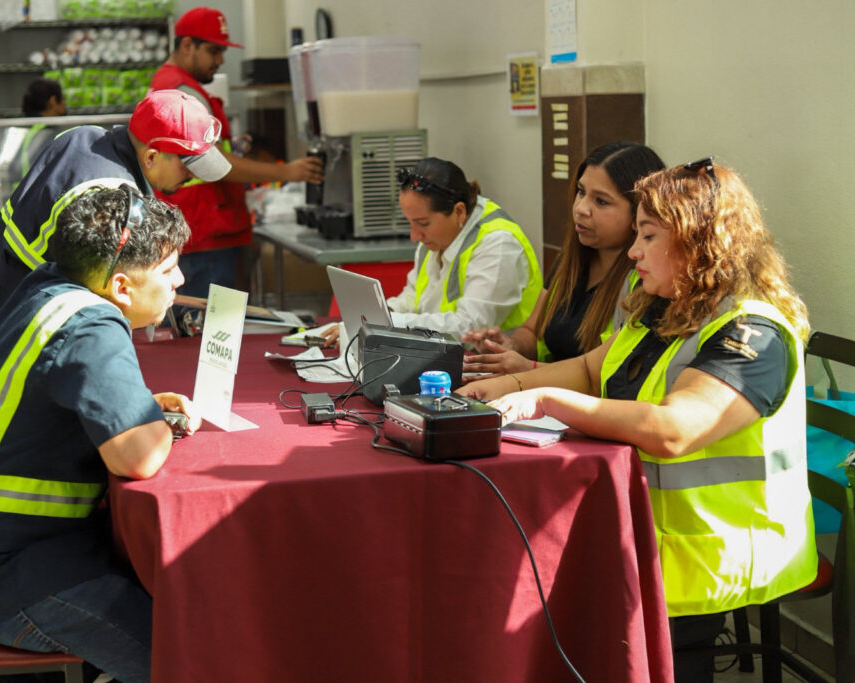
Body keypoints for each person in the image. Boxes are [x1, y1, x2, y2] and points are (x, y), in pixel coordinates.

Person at [459, 159, 818, 682]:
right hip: (643, 530)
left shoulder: (751, 332)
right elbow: (589, 368)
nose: (632, 252)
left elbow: (675, 430)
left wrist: (546, 402)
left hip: (709, 553)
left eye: (648, 236)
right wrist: (506, 386)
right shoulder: (665, 304)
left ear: (700, 242)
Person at [0, 186, 200, 683]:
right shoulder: (91, 325)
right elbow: (138, 457)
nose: (180, 279)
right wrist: (162, 423)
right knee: (191, 653)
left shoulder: (50, 285)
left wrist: (134, 407)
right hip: (6, 579)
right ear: (120, 286)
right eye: (167, 269)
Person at [0, 88, 231, 379]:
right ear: (151, 156)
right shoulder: (113, 197)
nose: (192, 178)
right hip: (13, 324)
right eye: (187, 167)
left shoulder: (84, 135)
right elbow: (106, 297)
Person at [149, 6, 324, 301]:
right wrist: (288, 172)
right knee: (213, 332)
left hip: (201, 228)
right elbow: (214, 162)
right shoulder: (181, 90)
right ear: (187, 45)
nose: (220, 61)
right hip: (204, 232)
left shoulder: (172, 84)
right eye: (213, 51)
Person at [462, 141, 665, 378]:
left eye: (601, 201)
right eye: (581, 192)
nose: (581, 208)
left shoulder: (645, 277)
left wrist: (531, 370)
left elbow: (612, 374)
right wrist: (509, 347)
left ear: (639, 212)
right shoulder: (571, 260)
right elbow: (532, 330)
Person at [321, 157, 543, 347]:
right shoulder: (436, 237)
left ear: (459, 211)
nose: (414, 235)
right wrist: (379, 314)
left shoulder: (499, 244)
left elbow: (470, 329)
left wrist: (387, 324)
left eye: (423, 223)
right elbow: (414, 297)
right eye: (410, 222)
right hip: (446, 358)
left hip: (505, 371)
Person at [7, 77, 66, 187]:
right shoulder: (50, 131)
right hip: (35, 196)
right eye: (63, 99)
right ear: (53, 101)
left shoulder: (19, 128)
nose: (64, 104)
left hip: (15, 195)